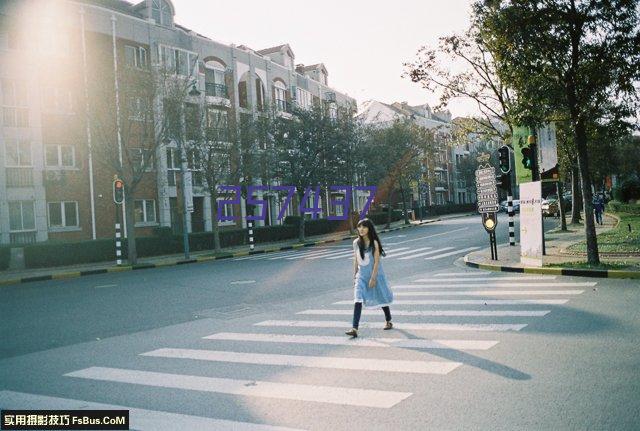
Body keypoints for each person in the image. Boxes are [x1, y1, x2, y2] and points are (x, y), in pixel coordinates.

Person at [345, 218, 394, 337]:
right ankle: (354, 328)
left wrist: (373, 278)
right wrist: (355, 276)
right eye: (359, 227)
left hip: (375, 275)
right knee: (358, 299)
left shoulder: (374, 243)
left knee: (381, 296)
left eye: (364, 227)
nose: (361, 229)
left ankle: (388, 320)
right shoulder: (356, 243)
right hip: (361, 276)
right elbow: (356, 260)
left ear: (369, 229)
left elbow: (377, 262)